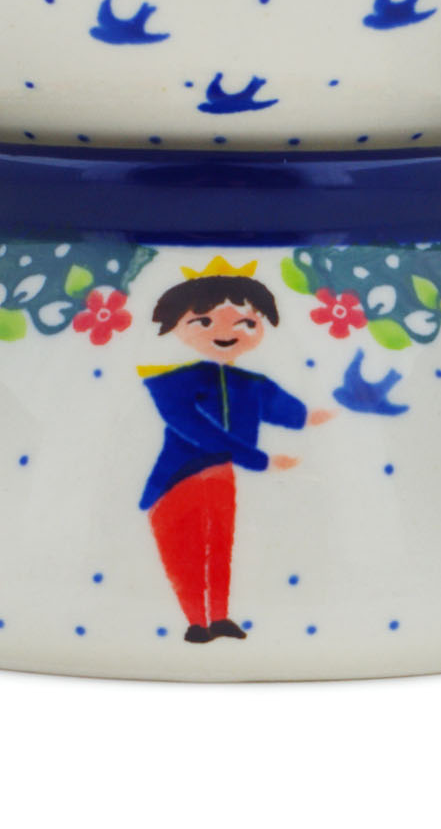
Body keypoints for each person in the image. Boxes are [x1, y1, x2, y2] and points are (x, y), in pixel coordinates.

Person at [139, 258, 335, 643]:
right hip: (178, 479)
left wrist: (325, 414)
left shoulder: (249, 383)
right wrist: (261, 460)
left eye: (246, 322)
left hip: (221, 476)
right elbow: (199, 430)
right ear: (176, 325)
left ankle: (220, 617)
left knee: (221, 545)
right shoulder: (171, 384)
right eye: (204, 321)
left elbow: (288, 409)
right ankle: (196, 623)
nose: (226, 333)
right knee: (186, 552)